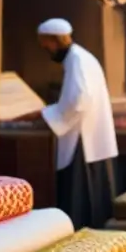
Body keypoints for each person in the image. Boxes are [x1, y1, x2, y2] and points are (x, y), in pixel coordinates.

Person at [34, 18, 118, 229]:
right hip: (89, 133)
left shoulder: (76, 60)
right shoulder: (80, 57)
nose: (48, 52)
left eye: (47, 47)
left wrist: (48, 113)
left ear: (55, 41)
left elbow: (79, 99)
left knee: (79, 196)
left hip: (83, 137)